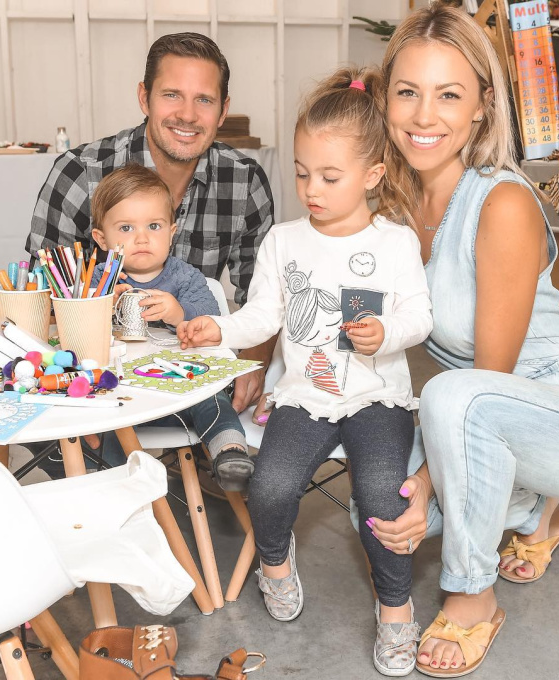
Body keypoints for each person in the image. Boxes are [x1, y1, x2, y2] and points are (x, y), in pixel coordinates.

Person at [365, 4, 559, 676]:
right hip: (480, 415)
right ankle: (536, 511)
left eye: (449, 94)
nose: (424, 116)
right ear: (384, 98)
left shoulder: (502, 202)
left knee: (449, 403)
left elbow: (489, 374)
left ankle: (471, 598)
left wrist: (428, 480)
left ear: (483, 107)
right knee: (371, 511)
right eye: (408, 91)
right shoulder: (391, 209)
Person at [178, 67, 433, 676]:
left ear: (372, 176)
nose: (310, 189)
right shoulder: (283, 242)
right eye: (301, 172)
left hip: (379, 398)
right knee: (269, 484)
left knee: (381, 497)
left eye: (329, 176)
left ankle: (396, 609)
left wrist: (385, 333)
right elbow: (264, 314)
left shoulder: (396, 242)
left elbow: (420, 316)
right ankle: (274, 560)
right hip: (303, 394)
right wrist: (221, 328)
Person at [27, 31, 274, 415]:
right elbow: (40, 296)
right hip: (97, 378)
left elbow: (263, 299)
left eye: (204, 100)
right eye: (172, 94)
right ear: (144, 97)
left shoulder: (244, 181)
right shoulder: (80, 174)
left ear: (223, 111)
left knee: (227, 436)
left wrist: (253, 367)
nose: (188, 115)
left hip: (192, 373)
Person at [89, 164, 254, 489]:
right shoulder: (99, 281)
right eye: (125, 228)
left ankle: (229, 451)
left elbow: (212, 320)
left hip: (182, 390)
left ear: (171, 232)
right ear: (102, 239)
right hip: (123, 395)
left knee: (213, 398)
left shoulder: (185, 277)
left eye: (153, 225)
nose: (141, 238)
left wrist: (178, 312)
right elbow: (74, 332)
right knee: (101, 417)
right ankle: (114, 484)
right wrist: (101, 305)